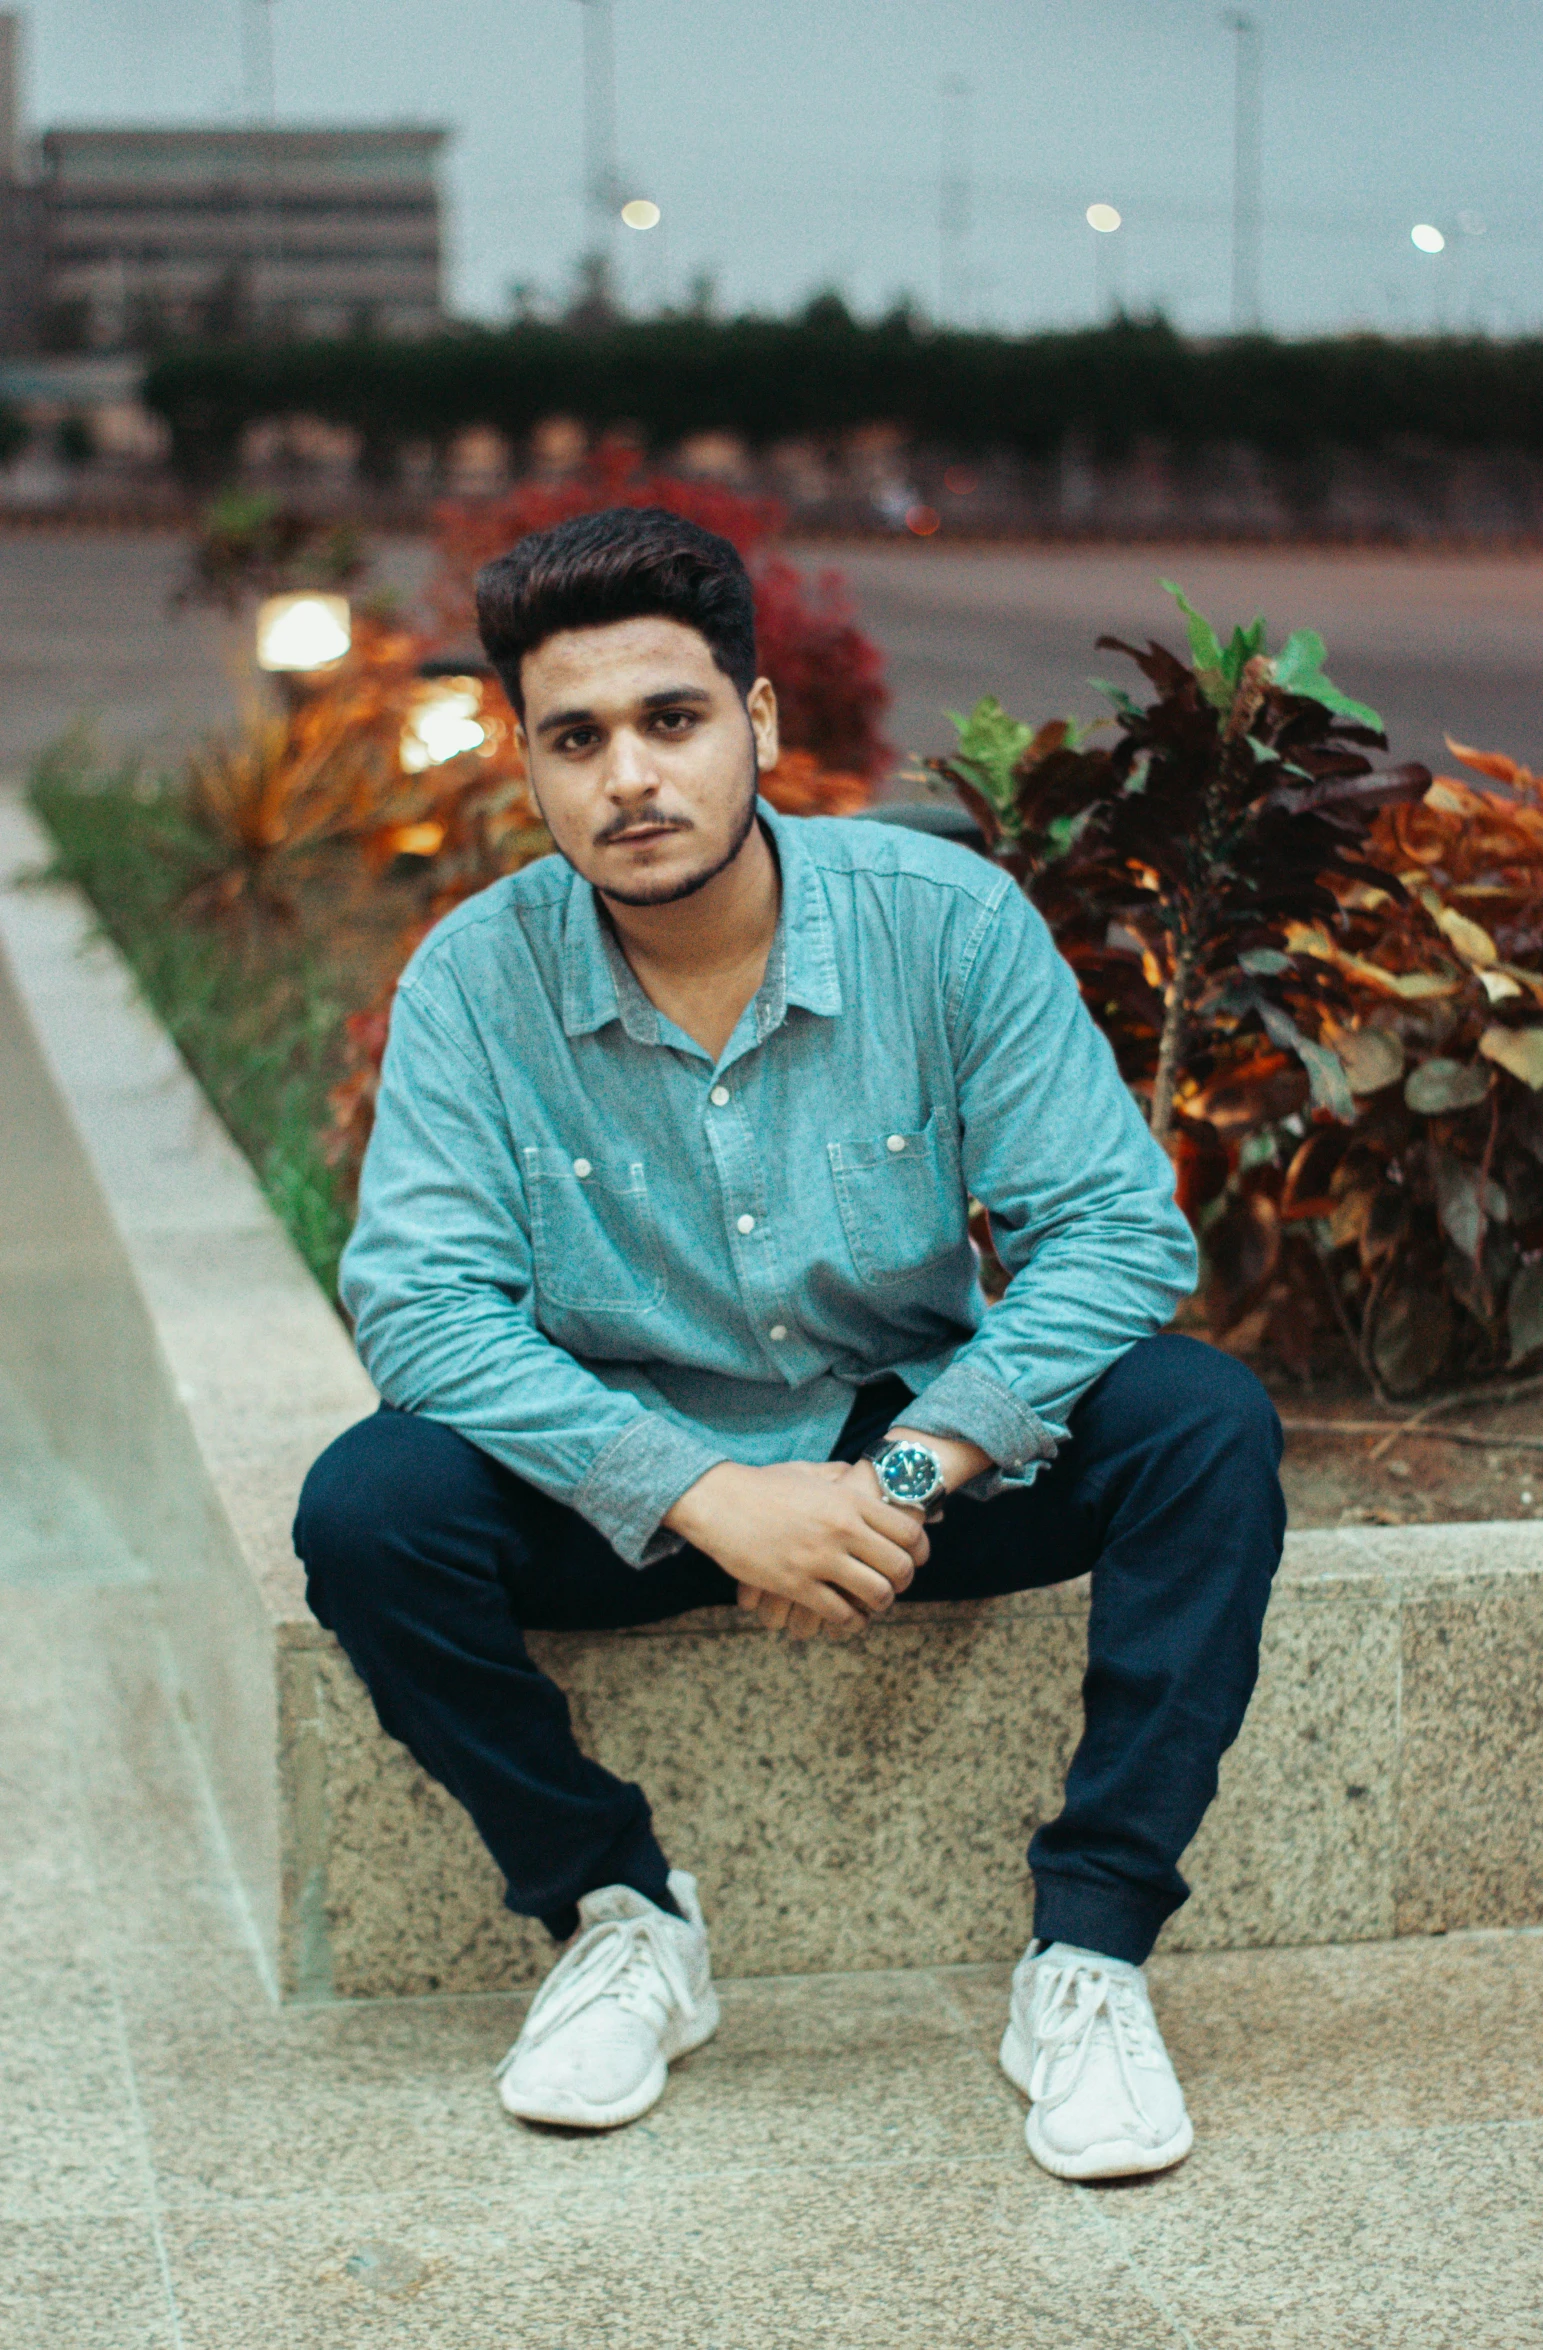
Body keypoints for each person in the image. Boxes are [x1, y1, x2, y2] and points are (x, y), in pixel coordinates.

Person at [294, 505, 1285, 2183]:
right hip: (629, 1482)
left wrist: (894, 1474)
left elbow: (1117, 1231)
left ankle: (1088, 1956)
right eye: (576, 738)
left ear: (757, 724)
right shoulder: (474, 981)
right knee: (368, 1510)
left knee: (1201, 1421)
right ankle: (618, 1915)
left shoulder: (940, 921)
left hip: (910, 1455)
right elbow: (419, 1303)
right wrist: (707, 1493)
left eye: (671, 722)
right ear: (522, 766)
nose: (629, 779)